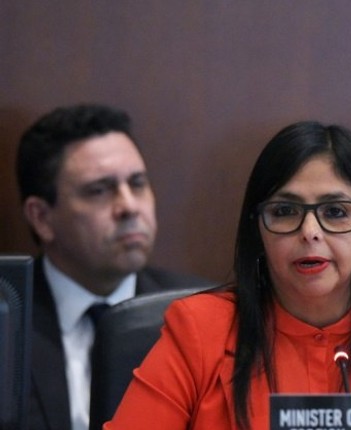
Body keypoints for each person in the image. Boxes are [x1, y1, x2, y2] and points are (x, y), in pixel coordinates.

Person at [105, 121, 351, 429]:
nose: (310, 232)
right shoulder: (198, 331)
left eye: (336, 212)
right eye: (285, 212)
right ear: (259, 230)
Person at [16, 103, 214, 430]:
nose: (129, 207)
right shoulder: (10, 320)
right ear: (41, 217)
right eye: (99, 191)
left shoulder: (204, 313)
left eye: (137, 183)